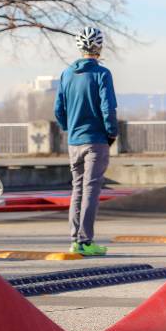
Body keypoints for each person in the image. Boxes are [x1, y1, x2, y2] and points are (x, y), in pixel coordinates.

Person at [54, 27, 118, 256]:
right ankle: (86, 241)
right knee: (91, 189)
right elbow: (108, 108)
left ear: (80, 47)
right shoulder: (102, 74)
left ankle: (75, 240)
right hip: (96, 140)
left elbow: (58, 110)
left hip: (74, 141)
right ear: (100, 47)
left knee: (77, 189)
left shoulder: (66, 74)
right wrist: (111, 133)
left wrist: (69, 129)